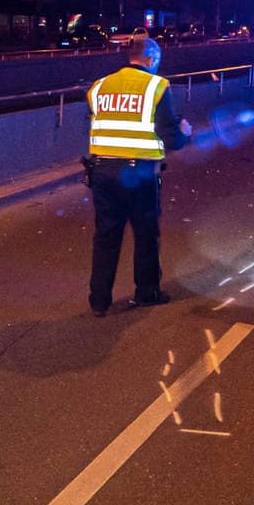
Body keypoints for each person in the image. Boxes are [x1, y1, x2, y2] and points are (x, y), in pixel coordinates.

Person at [84, 37, 191, 316]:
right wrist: (184, 133)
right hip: (139, 173)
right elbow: (171, 137)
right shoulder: (157, 87)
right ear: (152, 58)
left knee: (106, 236)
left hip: (103, 172)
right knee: (145, 234)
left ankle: (99, 301)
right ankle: (146, 292)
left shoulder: (99, 86)